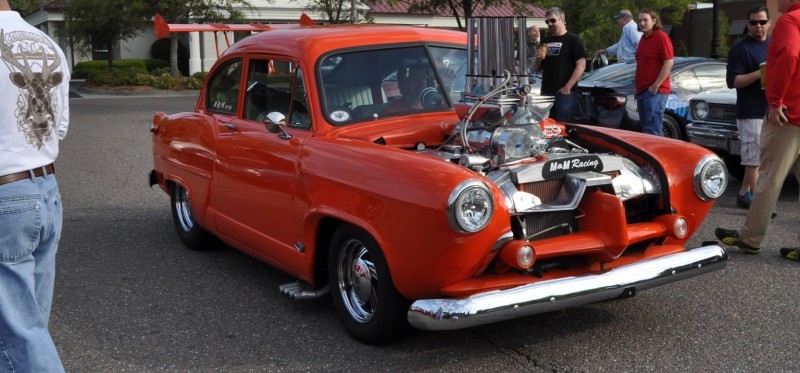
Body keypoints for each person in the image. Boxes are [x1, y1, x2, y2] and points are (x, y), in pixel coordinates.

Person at [0, 0, 69, 371]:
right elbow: (58, 128)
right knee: (31, 324)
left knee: (17, 336)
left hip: (5, 198)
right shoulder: (47, 43)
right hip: (45, 190)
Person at [715, 0, 800, 261]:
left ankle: (750, 239)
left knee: (768, 180)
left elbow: (788, 55)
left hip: (789, 114)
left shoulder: (790, 20)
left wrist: (774, 100)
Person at [725, 5, 771, 209]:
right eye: (753, 22)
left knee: (763, 157)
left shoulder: (773, 44)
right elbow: (733, 81)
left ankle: (744, 193)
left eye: (762, 22)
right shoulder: (740, 49)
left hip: (772, 109)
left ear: (769, 23)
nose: (758, 26)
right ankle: (759, 203)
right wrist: (760, 72)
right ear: (747, 24)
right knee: (753, 158)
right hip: (750, 111)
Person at [533, 7, 586, 123]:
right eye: (547, 22)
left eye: (553, 20)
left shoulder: (573, 40)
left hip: (565, 94)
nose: (550, 24)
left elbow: (581, 65)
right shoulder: (545, 41)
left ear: (562, 20)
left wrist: (568, 87)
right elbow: (537, 69)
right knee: (546, 128)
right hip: (546, 94)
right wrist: (538, 58)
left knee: (563, 128)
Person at [634, 8, 674, 136]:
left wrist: (655, 86)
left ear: (654, 21)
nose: (642, 23)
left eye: (645, 20)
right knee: (646, 132)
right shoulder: (643, 39)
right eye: (639, 20)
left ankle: (658, 156)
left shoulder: (661, 37)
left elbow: (668, 62)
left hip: (655, 93)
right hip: (642, 92)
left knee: (652, 131)